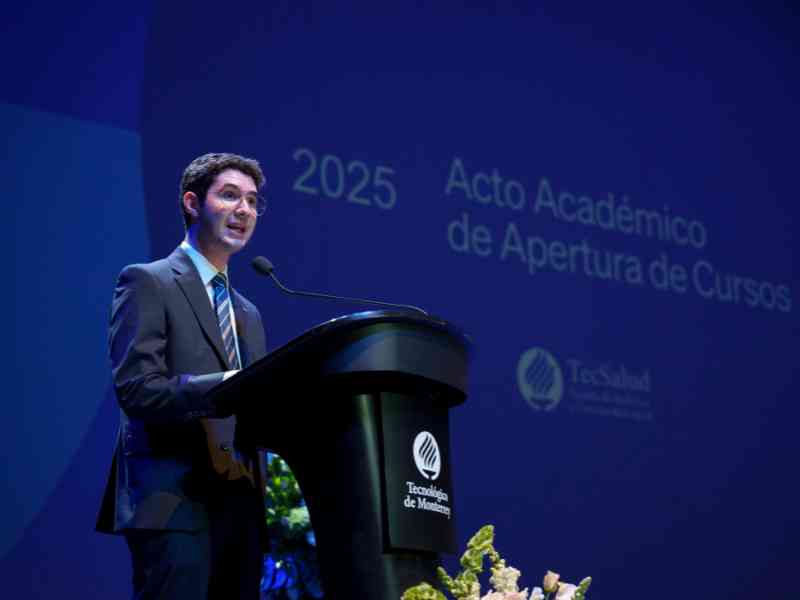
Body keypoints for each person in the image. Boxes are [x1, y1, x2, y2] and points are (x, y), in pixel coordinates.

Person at [96, 153, 269, 599]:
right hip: (175, 503)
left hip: (240, 511)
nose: (244, 210)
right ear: (192, 203)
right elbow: (137, 389)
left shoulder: (248, 313)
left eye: (252, 200)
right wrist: (227, 384)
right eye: (229, 195)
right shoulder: (147, 282)